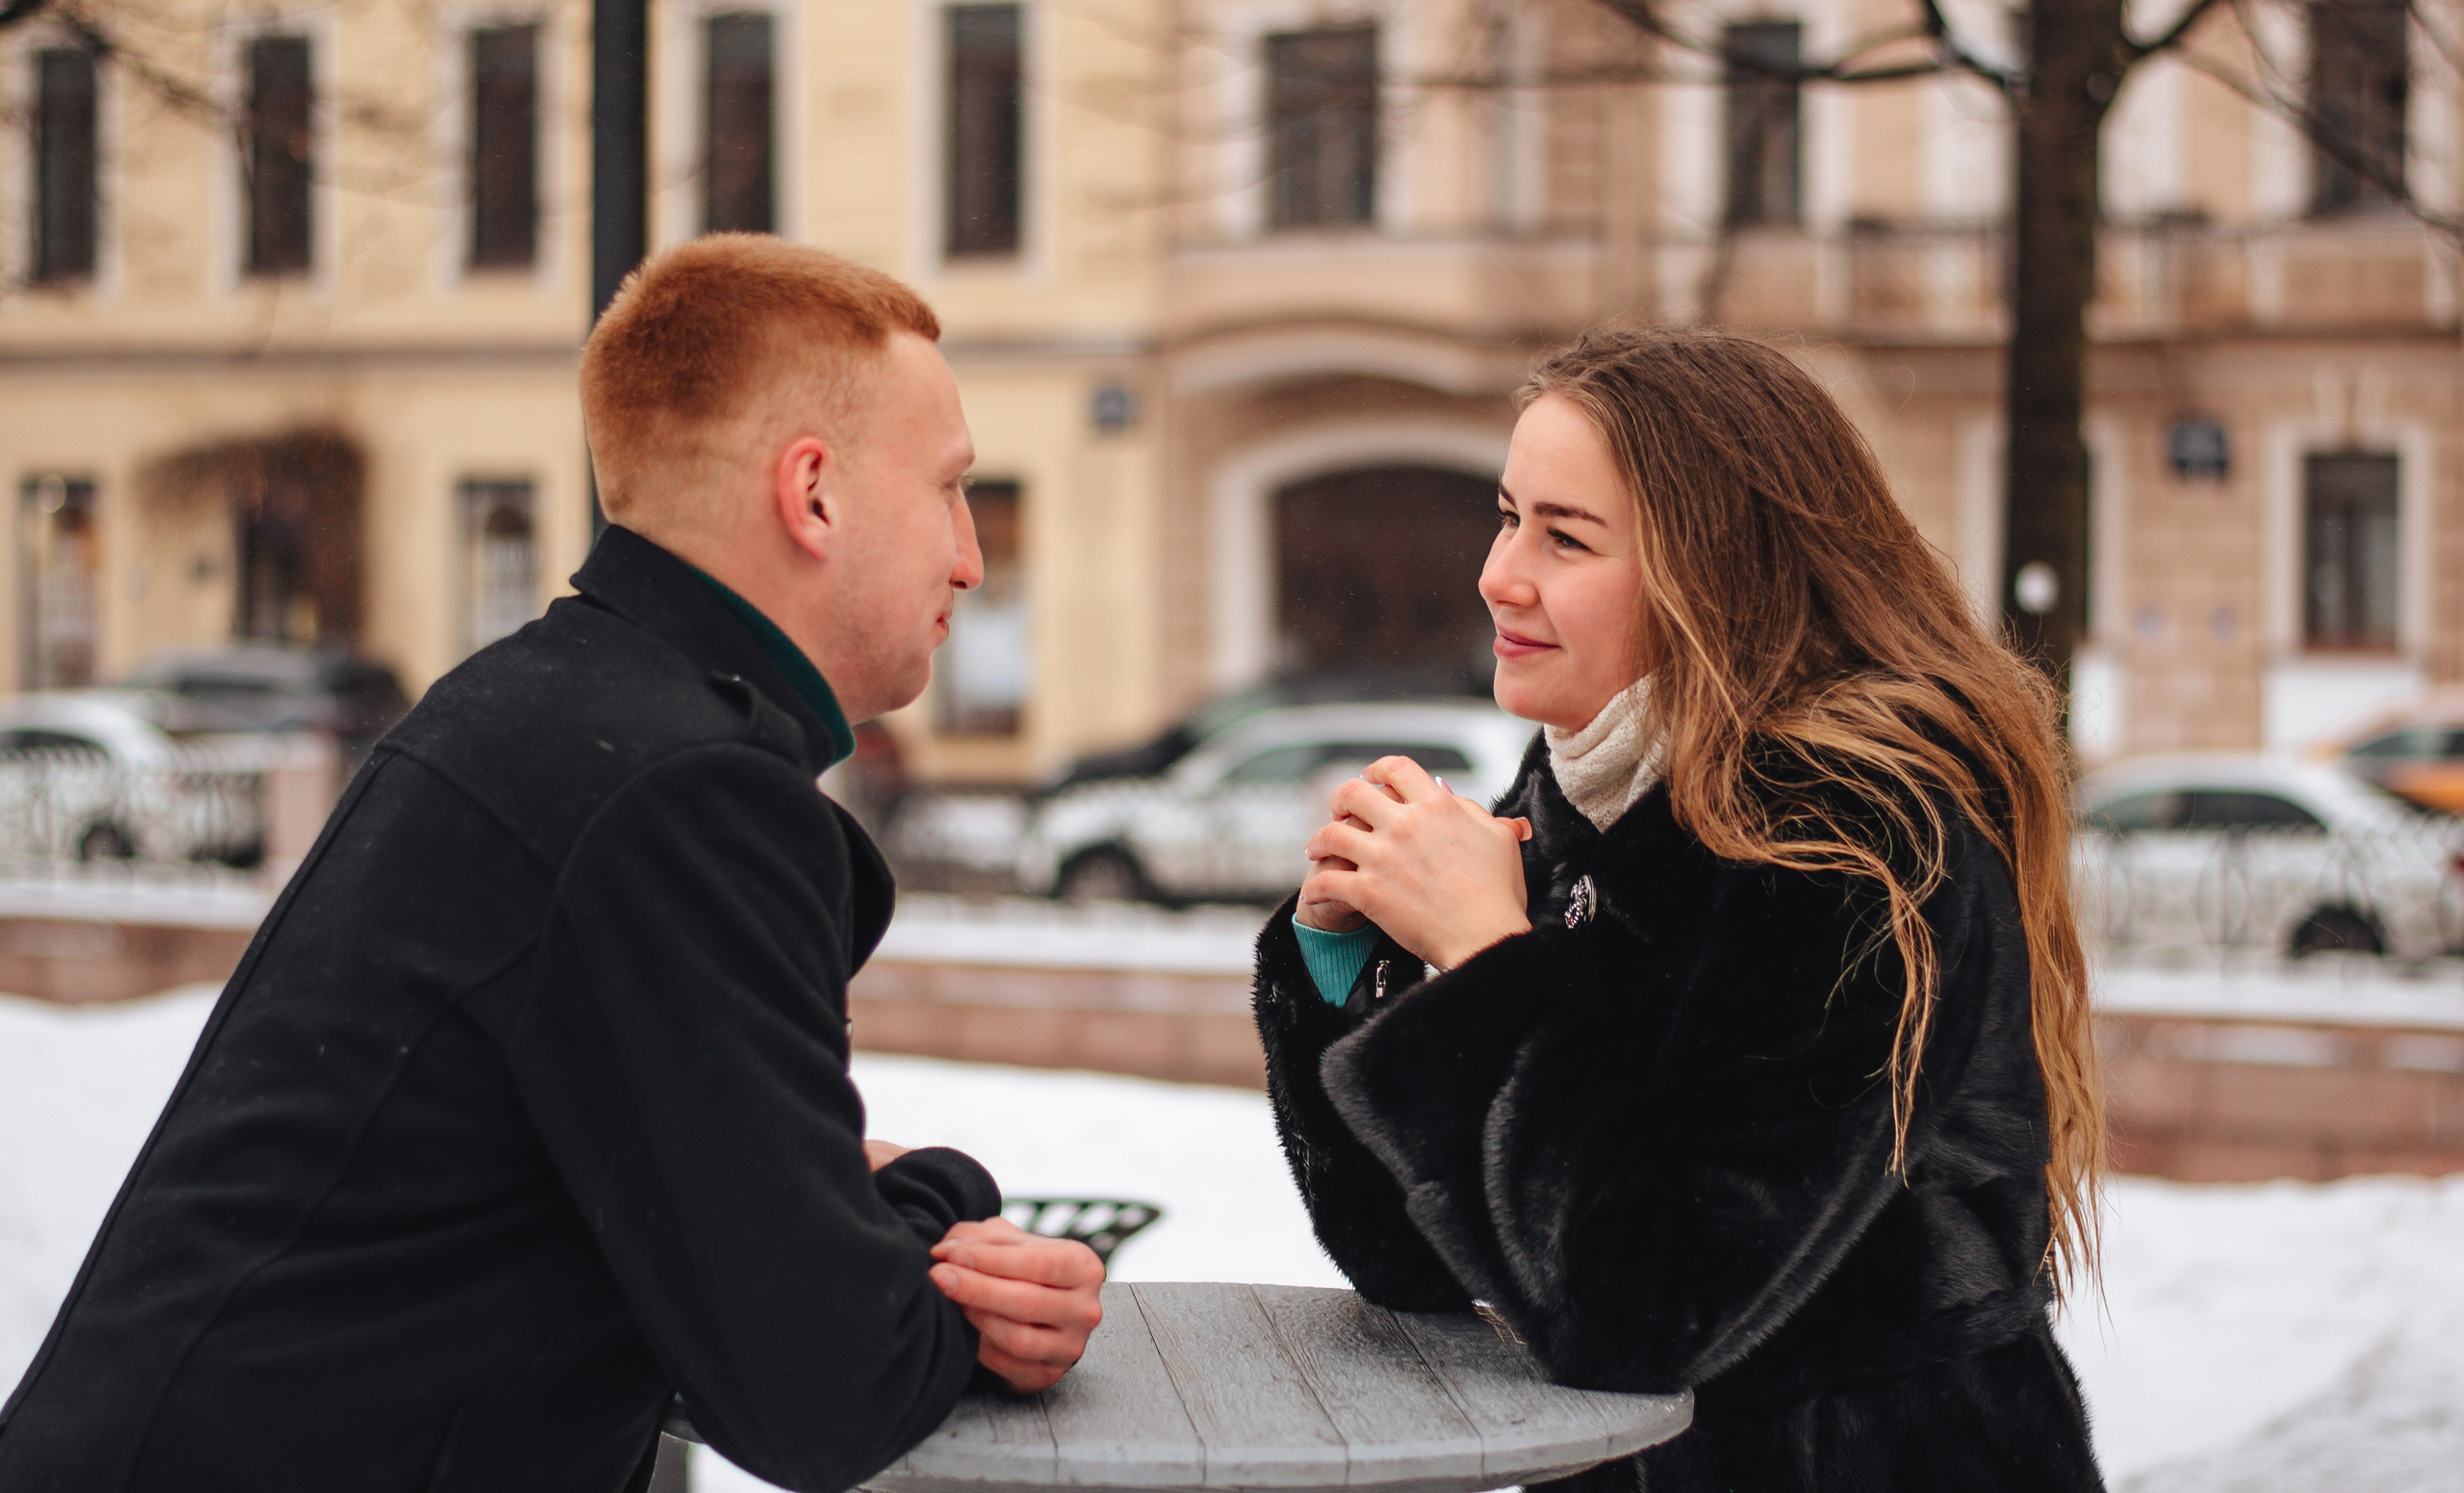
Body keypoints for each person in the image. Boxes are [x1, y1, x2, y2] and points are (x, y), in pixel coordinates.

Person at [0, 236, 1105, 1493]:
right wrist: (941, 1205)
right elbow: (827, 1381)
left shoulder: (535, 702)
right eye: (951, 489)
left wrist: (839, 1200)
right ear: (815, 493)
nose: (969, 555)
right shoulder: (684, 793)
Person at [1252, 328, 2107, 1493]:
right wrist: (1337, 962)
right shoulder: (1577, 793)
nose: (1500, 573)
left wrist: (1484, 956)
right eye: (1509, 516)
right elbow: (1416, 1263)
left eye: (1566, 537)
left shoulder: (1856, 835)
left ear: (1716, 575)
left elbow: (1647, 1308)